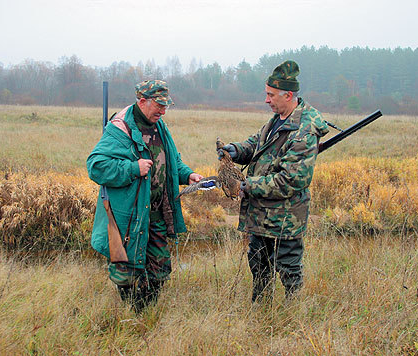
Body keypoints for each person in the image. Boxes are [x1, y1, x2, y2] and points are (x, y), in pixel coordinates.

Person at [218, 60, 329, 303]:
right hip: (261, 215)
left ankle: (292, 317)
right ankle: (261, 313)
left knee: (289, 271)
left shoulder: (304, 130)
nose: (266, 100)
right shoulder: (278, 119)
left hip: (285, 218)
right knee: (258, 266)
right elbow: (257, 144)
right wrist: (235, 151)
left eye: (271, 95)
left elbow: (291, 180)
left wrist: (247, 186)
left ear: (288, 95)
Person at [87, 80, 202, 312]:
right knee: (125, 271)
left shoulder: (160, 127)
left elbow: (170, 160)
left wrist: (187, 175)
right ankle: (133, 312)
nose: (163, 110)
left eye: (165, 105)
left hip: (157, 212)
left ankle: (144, 309)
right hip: (129, 215)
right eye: (159, 105)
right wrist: (132, 169)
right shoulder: (120, 129)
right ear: (142, 101)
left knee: (160, 270)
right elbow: (96, 166)